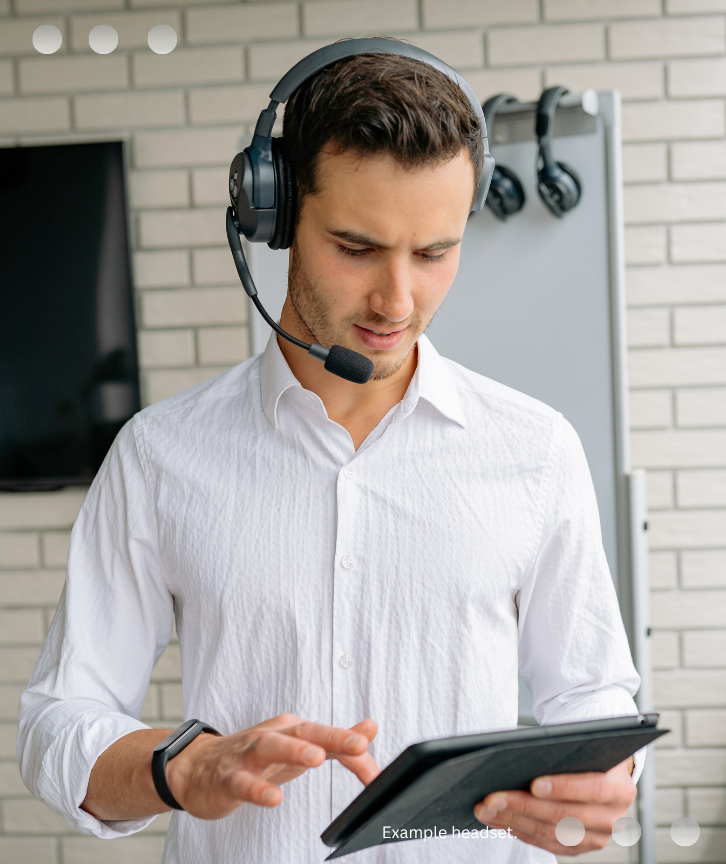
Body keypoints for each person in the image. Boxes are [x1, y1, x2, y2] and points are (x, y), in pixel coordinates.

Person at [18, 42, 645, 864]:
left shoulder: (535, 451)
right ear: (274, 219)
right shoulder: (158, 458)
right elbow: (58, 724)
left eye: (434, 253)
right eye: (355, 248)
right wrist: (184, 766)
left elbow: (594, 700)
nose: (397, 299)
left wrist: (594, 795)